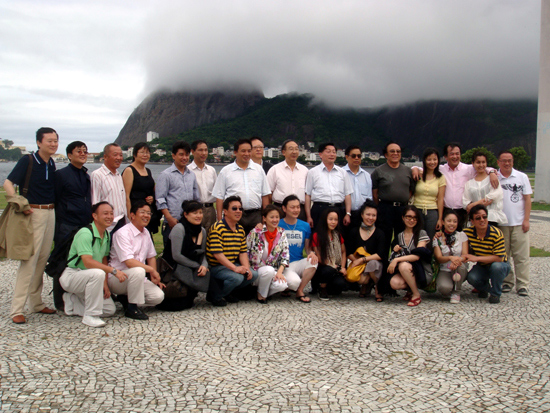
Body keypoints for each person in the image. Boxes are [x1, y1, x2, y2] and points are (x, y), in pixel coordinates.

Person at [4, 127, 58, 324]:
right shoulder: (27, 160)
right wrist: (20, 203)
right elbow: (8, 183)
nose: (53, 144)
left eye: (55, 141)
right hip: (33, 213)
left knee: (42, 259)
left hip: (50, 212)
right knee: (29, 261)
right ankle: (16, 309)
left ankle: (36, 303)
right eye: (49, 140)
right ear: (39, 142)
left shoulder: (51, 163)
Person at [413, 143, 499, 227]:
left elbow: (482, 167)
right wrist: (415, 168)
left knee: (463, 234)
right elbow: (422, 169)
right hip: (446, 211)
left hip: (463, 211)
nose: (455, 156)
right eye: (452, 154)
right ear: (446, 157)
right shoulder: (440, 169)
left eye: (457, 154)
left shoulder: (468, 169)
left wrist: (491, 172)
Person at [59, 202, 117, 327]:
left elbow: (103, 259)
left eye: (111, 213)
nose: (109, 217)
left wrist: (105, 284)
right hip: (73, 275)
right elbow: (88, 262)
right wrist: (113, 271)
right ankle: (90, 316)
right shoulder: (85, 233)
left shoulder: (106, 235)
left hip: (91, 277)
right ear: (95, 216)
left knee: (109, 310)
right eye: (105, 213)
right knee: (97, 273)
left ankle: (73, 302)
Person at [52, 140, 92, 310]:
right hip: (66, 224)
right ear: (69, 155)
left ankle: (77, 296)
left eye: (85, 151)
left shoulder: (86, 175)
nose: (83, 154)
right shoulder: (61, 175)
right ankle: (59, 300)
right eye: (78, 151)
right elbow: (55, 198)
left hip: (83, 224)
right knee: (63, 260)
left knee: (80, 260)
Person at [109, 200, 165, 319]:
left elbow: (151, 256)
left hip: (137, 278)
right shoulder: (122, 233)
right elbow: (129, 262)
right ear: (132, 215)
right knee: (138, 270)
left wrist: (154, 275)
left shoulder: (146, 232)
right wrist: (151, 270)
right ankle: (132, 308)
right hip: (118, 277)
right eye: (143, 212)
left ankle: (125, 298)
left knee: (158, 297)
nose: (146, 215)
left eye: (149, 213)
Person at [206, 196, 259, 306]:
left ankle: (228, 292)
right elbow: (218, 255)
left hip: (231, 264)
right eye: (234, 208)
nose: (238, 211)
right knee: (237, 278)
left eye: (240, 208)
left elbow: (242, 252)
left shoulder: (240, 229)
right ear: (225, 212)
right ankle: (215, 296)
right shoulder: (217, 228)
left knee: (253, 274)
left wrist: (246, 268)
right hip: (216, 266)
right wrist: (235, 268)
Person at [212, 139, 270, 234]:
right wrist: (220, 221)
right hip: (234, 215)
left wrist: (265, 218)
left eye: (249, 151)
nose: (246, 154)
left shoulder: (259, 170)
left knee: (256, 242)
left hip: (255, 216)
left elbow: (265, 195)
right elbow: (219, 197)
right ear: (235, 152)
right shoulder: (226, 171)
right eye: (243, 151)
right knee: (234, 242)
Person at [161, 200, 210, 311]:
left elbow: (203, 253)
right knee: (177, 305)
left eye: (200, 212)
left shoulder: (202, 231)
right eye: (194, 213)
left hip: (191, 266)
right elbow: (176, 256)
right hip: (175, 267)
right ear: (186, 214)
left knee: (210, 279)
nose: (198, 216)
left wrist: (204, 265)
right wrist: (197, 266)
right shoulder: (179, 229)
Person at [371, 141, 415, 258]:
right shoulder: (378, 171)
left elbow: (411, 190)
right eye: (392, 151)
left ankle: (399, 263)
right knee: (384, 239)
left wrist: (402, 199)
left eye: (398, 151)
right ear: (386, 155)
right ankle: (383, 265)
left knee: (401, 239)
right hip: (385, 208)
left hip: (402, 209)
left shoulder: (408, 171)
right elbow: (375, 193)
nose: (396, 153)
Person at [497, 150, 532, 296]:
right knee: (504, 256)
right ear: (498, 162)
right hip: (501, 223)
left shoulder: (521, 177)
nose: (507, 163)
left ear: (513, 162)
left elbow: (527, 199)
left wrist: (526, 219)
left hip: (519, 223)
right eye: (504, 160)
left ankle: (523, 285)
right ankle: (507, 282)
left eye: (509, 160)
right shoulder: (494, 176)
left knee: (521, 256)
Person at [462, 205, 510, 304]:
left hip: (500, 264)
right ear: (472, 221)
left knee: (496, 267)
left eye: (484, 217)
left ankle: (495, 294)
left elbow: (499, 258)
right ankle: (485, 288)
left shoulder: (496, 233)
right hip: (483, 266)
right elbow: (454, 235)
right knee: (471, 277)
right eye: (478, 218)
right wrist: (440, 234)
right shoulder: (467, 232)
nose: (482, 220)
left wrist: (476, 258)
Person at [156, 141, 200, 246]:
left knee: (190, 251)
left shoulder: (191, 175)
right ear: (173, 156)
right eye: (181, 154)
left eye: (187, 155)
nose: (184, 158)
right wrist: (169, 218)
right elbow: (160, 199)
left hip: (190, 222)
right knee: (171, 252)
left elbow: (196, 198)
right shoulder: (165, 175)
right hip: (173, 222)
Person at [387, 206, 432, 307]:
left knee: (403, 265)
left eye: (414, 218)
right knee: (394, 283)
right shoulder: (399, 236)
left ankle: (416, 294)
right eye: (408, 217)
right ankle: (410, 290)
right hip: (407, 271)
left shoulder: (421, 233)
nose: (411, 220)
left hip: (422, 270)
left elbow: (417, 256)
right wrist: (396, 251)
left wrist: (396, 260)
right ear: (403, 218)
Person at [247, 205, 290, 303]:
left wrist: (279, 272)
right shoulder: (255, 232)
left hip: (272, 269)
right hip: (256, 270)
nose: (275, 220)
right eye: (272, 217)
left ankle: (263, 291)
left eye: (277, 217)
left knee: (282, 285)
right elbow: (245, 250)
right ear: (264, 218)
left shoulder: (281, 233)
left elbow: (285, 256)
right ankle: (261, 296)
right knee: (269, 270)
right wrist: (247, 267)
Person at [279, 195, 318, 303]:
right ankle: (286, 287)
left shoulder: (305, 226)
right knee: (294, 282)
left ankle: (300, 291)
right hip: (283, 264)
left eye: (298, 207)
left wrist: (311, 253)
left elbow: (307, 248)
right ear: (284, 208)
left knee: (313, 260)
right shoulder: (278, 224)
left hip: (297, 262)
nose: (296, 210)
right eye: (292, 207)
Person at [304, 142, 353, 229]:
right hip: (319, 209)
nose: (332, 154)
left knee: (338, 235)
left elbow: (347, 194)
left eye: (334, 152)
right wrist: (308, 216)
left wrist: (348, 213)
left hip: (338, 209)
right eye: (328, 151)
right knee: (319, 235)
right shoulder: (313, 172)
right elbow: (308, 195)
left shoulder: (342, 173)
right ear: (320, 154)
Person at [345, 201, 385, 301]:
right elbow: (348, 251)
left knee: (372, 264)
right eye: (368, 214)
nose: (370, 218)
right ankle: (367, 284)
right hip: (359, 263)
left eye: (373, 215)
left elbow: (380, 254)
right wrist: (356, 261)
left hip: (375, 264)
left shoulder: (380, 233)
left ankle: (378, 287)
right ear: (362, 215)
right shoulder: (354, 231)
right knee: (358, 279)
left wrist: (362, 260)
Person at [122, 142, 160, 235]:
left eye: (147, 152)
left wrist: (152, 198)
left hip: (146, 212)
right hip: (135, 213)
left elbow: (151, 190)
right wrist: (129, 218)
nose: (145, 155)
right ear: (135, 154)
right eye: (142, 152)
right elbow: (126, 196)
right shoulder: (129, 170)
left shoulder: (148, 171)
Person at [267, 139, 308, 222]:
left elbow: (307, 194)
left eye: (296, 149)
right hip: (280, 209)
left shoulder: (305, 170)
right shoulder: (275, 170)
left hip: (299, 210)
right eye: (291, 149)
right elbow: (269, 193)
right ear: (283, 152)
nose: (294, 152)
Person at [433, 210, 468, 304]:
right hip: (445, 269)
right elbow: (439, 258)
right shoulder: (438, 238)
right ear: (443, 222)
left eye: (455, 221)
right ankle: (451, 286)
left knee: (460, 267)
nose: (452, 224)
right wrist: (450, 258)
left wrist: (457, 260)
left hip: (459, 267)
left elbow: (465, 256)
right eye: (449, 221)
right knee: (444, 288)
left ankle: (456, 292)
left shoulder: (461, 235)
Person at [311, 208, 347, 300]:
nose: (333, 222)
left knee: (341, 285)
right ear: (325, 220)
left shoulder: (337, 235)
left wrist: (342, 267)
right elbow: (319, 258)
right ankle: (322, 287)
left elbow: (343, 252)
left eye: (335, 220)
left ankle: (328, 287)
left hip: (336, 267)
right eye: (330, 219)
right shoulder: (317, 235)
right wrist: (335, 267)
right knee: (328, 270)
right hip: (322, 267)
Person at [462, 151, 507, 226]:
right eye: (478, 162)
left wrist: (475, 204)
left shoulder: (492, 179)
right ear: (473, 163)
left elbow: (494, 196)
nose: (481, 165)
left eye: (483, 162)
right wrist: (471, 205)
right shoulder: (469, 183)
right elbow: (466, 202)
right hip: (476, 219)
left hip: (491, 218)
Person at [91, 143, 127, 233]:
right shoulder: (97, 175)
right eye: (115, 155)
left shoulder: (118, 175)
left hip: (121, 222)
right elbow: (95, 202)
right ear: (105, 157)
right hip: (107, 226)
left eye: (121, 155)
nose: (119, 158)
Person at [413, 147, 446, 240]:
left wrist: (440, 219)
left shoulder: (441, 177)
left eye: (435, 159)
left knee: (430, 239)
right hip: (417, 210)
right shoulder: (418, 175)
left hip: (432, 212)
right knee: (417, 237)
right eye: (429, 159)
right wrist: (415, 169)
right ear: (424, 160)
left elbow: (440, 199)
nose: (432, 162)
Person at [189, 140, 218, 231]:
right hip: (195, 210)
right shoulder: (188, 170)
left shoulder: (211, 170)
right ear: (192, 152)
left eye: (206, 150)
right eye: (200, 150)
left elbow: (218, 192)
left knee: (211, 236)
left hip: (210, 209)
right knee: (196, 235)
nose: (204, 153)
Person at [342, 145, 372, 230]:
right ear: (347, 157)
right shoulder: (341, 173)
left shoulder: (367, 175)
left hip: (361, 215)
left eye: (359, 156)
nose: (356, 158)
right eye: (353, 156)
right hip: (345, 213)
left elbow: (369, 197)